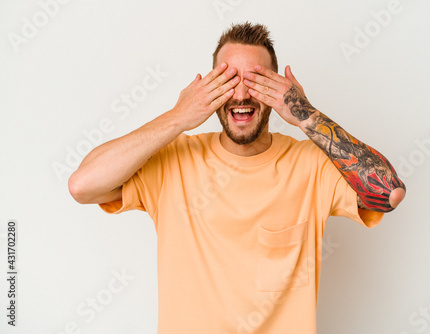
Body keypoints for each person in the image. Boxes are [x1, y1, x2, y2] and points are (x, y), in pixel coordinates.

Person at [68, 22, 405, 334]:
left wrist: (305, 114)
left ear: (278, 89)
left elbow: (388, 193)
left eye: (256, 81)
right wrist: (178, 117)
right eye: (228, 80)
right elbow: (83, 186)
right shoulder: (174, 161)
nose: (241, 95)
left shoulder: (309, 166)